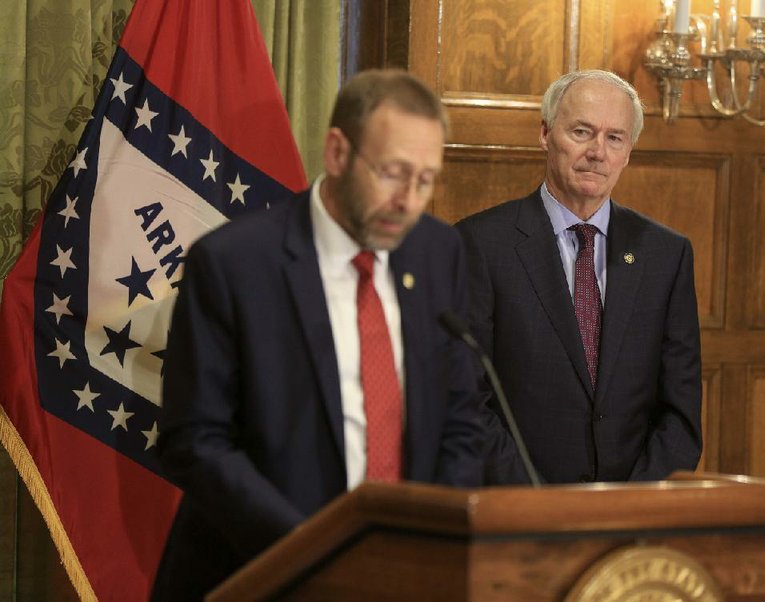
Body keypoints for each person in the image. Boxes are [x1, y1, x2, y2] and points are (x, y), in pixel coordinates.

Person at [152, 69, 486, 599]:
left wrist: (429, 542)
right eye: (393, 173)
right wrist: (316, 549)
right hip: (262, 573)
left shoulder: (437, 252)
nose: (409, 201)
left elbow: (461, 419)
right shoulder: (235, 263)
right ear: (337, 153)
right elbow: (194, 441)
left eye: (425, 180)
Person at [456, 70, 702, 485]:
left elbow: (680, 411)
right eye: (582, 131)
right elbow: (466, 398)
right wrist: (537, 504)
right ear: (545, 134)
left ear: (628, 152)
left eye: (614, 138)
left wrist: (632, 505)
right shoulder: (479, 244)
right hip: (518, 515)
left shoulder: (666, 254)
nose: (597, 152)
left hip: (633, 521)